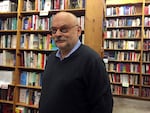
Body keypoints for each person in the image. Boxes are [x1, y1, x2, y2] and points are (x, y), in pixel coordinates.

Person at [39, 11, 113, 113]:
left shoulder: (92, 61)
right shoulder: (51, 58)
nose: (58, 34)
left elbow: (103, 106)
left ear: (78, 31)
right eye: (54, 30)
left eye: (64, 29)